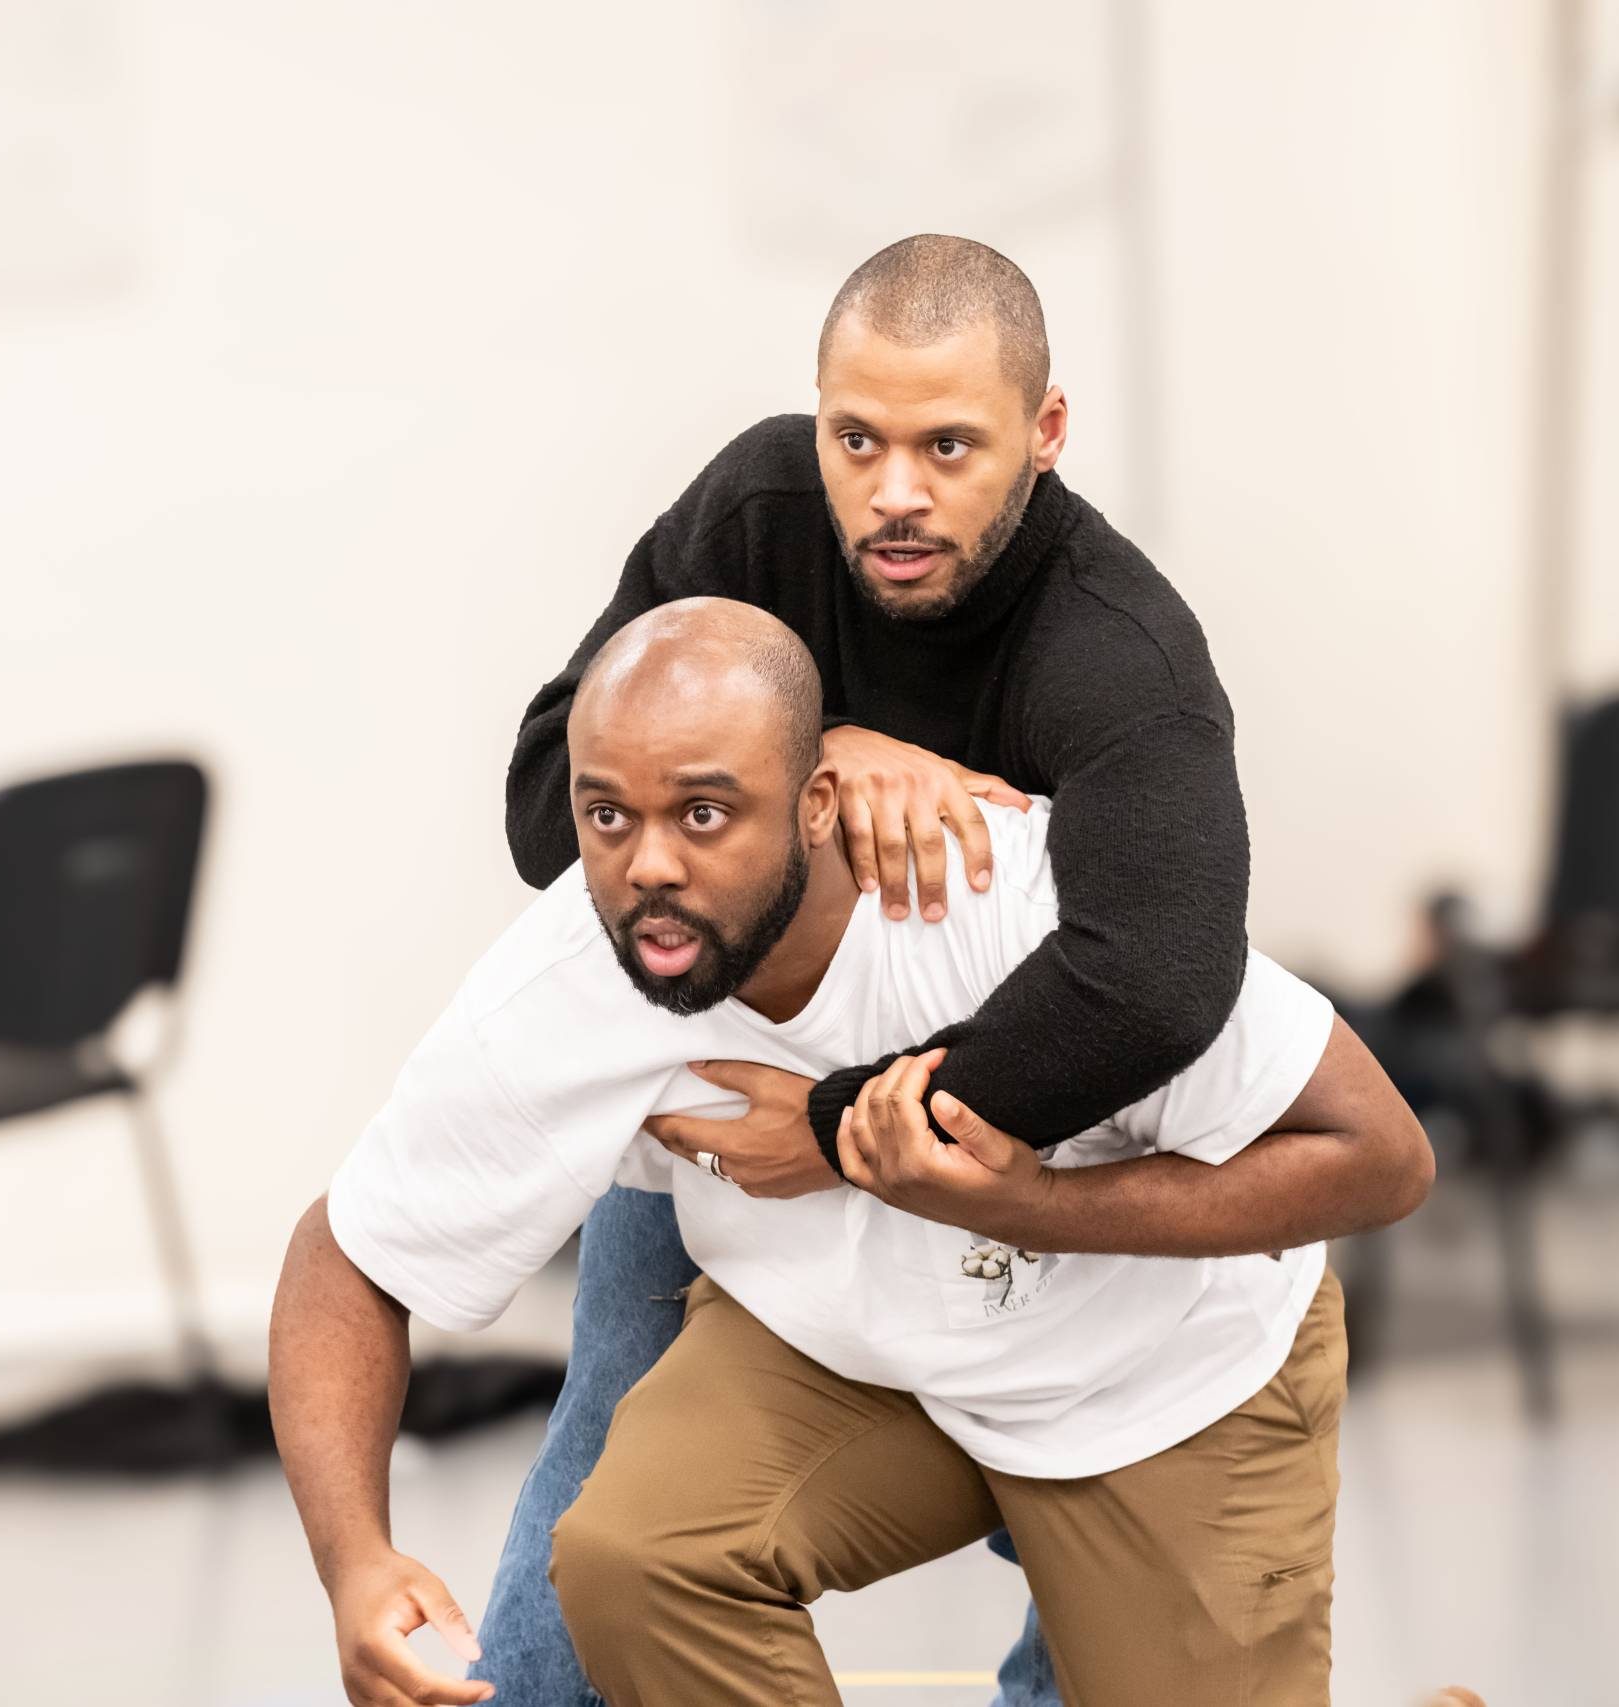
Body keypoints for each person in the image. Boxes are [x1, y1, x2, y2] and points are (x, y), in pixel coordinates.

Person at [270, 600, 1431, 1706]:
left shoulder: (1017, 904)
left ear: (819, 802)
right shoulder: (571, 978)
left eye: (705, 813)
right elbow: (350, 1253)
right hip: (861, 1361)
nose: (648, 867)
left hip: (1158, 1373)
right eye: (606, 815)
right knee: (639, 1556)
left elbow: (1381, 1156)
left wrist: (1024, 1204)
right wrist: (355, 1562)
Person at [487, 234, 1258, 1701]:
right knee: (587, 1548)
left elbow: (1158, 978)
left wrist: (846, 1127)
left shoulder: (1119, 650)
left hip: (1036, 1148)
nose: (893, 491)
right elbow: (547, 803)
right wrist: (818, 744)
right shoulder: (761, 517)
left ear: (1044, 436)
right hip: (735, 1109)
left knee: (1088, 1611)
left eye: (949, 445)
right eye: (859, 438)